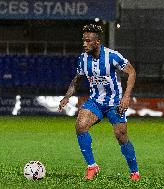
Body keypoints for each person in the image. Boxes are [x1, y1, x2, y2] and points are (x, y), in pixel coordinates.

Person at [58, 24, 140, 181]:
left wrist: (126, 96)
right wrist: (67, 96)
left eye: (88, 41)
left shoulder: (112, 56)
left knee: (121, 135)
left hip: (115, 102)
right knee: (80, 126)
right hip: (95, 101)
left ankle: (134, 171)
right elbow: (77, 80)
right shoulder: (83, 59)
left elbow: (131, 72)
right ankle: (92, 166)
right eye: (83, 40)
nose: (84, 44)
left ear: (97, 42)